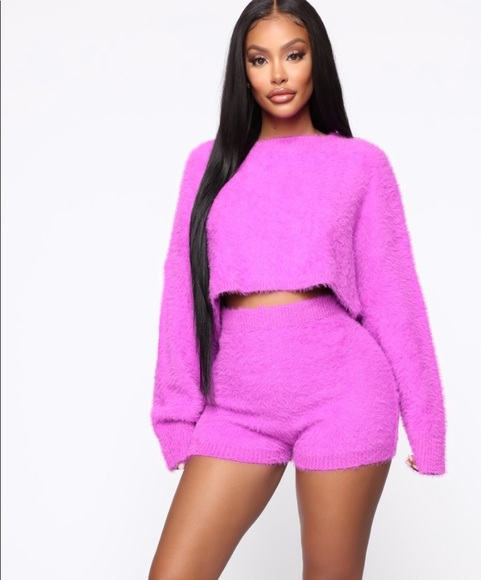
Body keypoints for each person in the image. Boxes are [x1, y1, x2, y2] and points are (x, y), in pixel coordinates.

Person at [148, 0, 447, 578]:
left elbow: (394, 298)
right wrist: (176, 418)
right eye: (259, 60)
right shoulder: (207, 165)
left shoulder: (360, 165)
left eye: (294, 55)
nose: (278, 75)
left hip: (344, 397)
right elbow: (181, 292)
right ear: (243, 71)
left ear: (317, 61)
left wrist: (427, 426)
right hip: (235, 407)